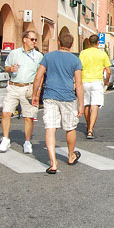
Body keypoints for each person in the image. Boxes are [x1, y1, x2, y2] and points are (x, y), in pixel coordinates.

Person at [31, 33, 83, 174]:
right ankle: (71, 155)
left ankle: (53, 163)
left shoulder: (48, 57)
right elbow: (78, 83)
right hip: (67, 97)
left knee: (50, 128)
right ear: (71, 45)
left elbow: (38, 77)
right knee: (70, 127)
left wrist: (35, 95)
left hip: (50, 96)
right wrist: (81, 104)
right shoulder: (75, 60)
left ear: (59, 42)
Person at [0, 30, 43, 153]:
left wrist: (37, 91)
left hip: (28, 88)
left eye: (35, 40)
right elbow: (6, 67)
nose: (34, 42)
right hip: (13, 86)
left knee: (28, 116)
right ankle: (6, 139)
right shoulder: (14, 53)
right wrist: (10, 69)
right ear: (25, 39)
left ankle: (27, 142)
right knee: (6, 113)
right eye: (32, 39)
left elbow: (41, 74)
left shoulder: (38, 56)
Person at [78, 34, 111, 139]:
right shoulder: (102, 54)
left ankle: (88, 126)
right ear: (98, 43)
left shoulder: (83, 53)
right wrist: (106, 81)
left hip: (85, 81)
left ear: (89, 43)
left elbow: (79, 68)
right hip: (97, 81)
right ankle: (90, 130)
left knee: (86, 105)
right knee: (95, 106)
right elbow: (109, 71)